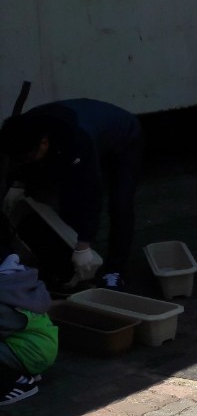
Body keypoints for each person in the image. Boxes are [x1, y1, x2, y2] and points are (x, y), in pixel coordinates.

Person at [0, 99, 143, 290]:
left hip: (124, 137)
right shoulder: (20, 131)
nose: (22, 162)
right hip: (82, 129)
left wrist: (83, 244)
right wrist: (15, 183)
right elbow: (15, 164)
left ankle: (115, 270)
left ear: (44, 143)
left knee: (120, 203)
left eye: (26, 158)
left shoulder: (76, 140)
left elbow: (90, 192)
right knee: (64, 198)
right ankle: (66, 262)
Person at [0, 243, 56, 406]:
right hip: (38, 346)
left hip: (29, 351)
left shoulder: (3, 292)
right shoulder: (16, 281)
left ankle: (15, 383)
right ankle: (23, 371)